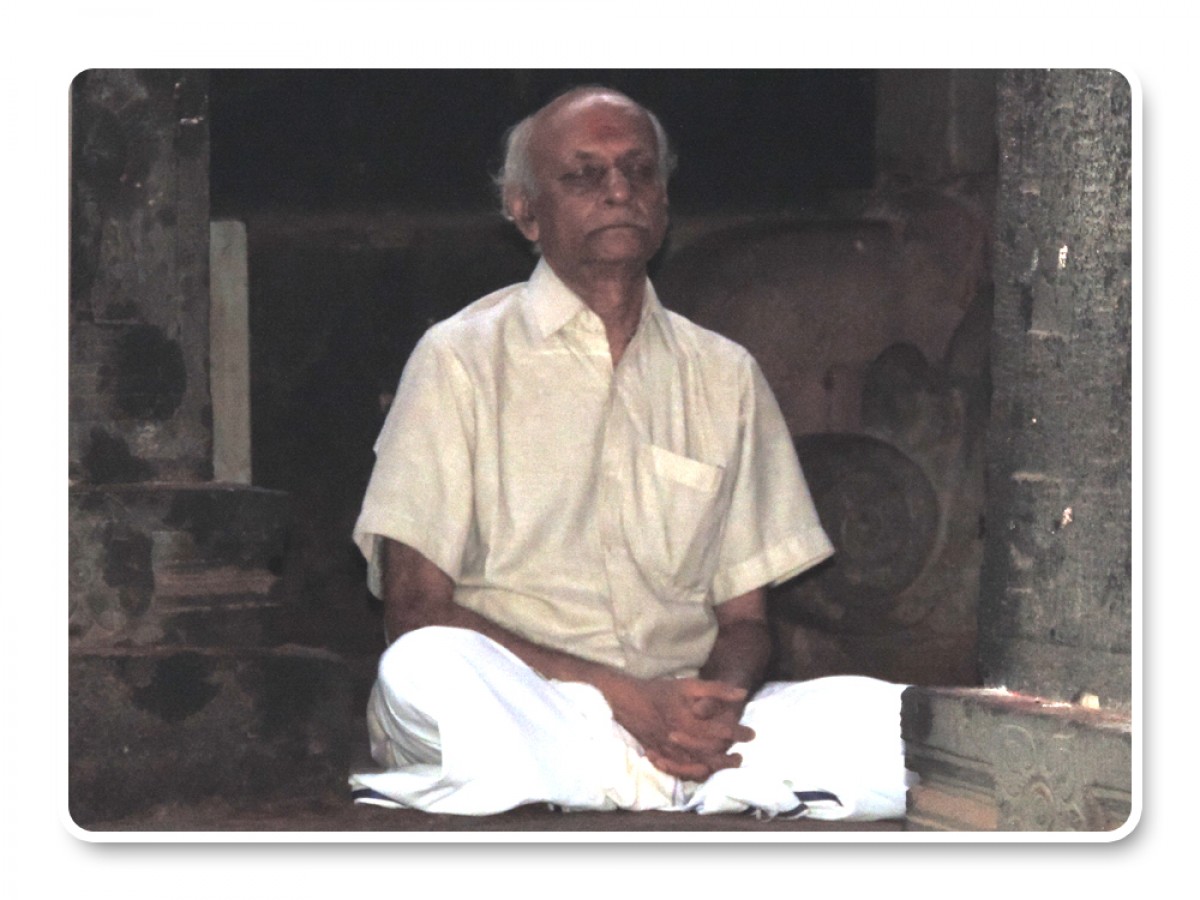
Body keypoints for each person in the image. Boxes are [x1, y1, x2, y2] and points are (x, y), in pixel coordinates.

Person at [348, 86, 913, 819]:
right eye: (584, 176)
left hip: (680, 715)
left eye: (638, 172)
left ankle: (648, 780)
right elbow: (416, 611)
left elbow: (745, 622)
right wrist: (623, 702)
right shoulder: (459, 359)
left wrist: (710, 707)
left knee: (894, 721)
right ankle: (679, 787)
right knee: (424, 672)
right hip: (527, 705)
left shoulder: (724, 374)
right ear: (525, 212)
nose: (619, 190)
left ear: (665, 203)